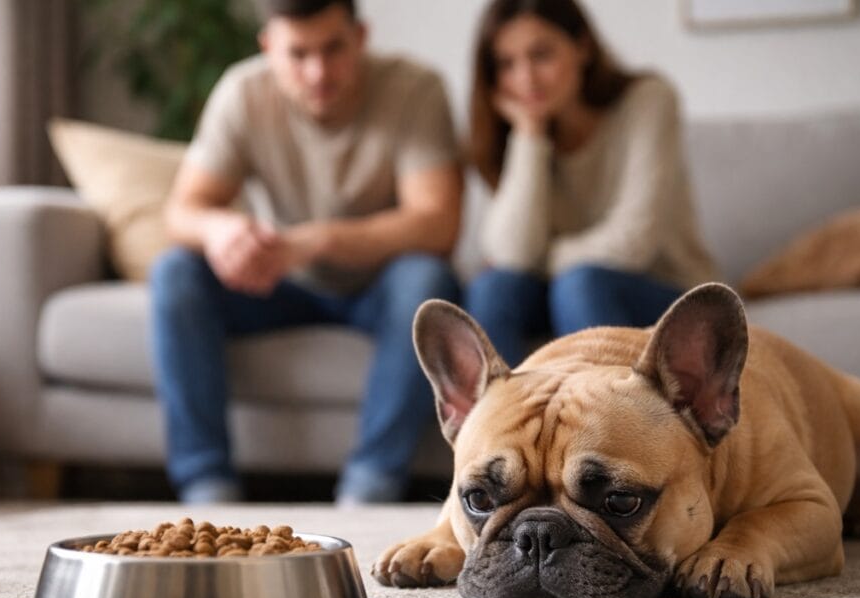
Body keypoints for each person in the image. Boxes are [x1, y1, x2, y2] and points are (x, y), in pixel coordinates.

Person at [152, 0, 463, 504]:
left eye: (333, 48)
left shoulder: (415, 89)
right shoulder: (242, 92)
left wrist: (316, 240)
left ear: (361, 37)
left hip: (379, 286)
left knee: (426, 280)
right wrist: (221, 229)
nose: (318, 72)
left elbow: (438, 224)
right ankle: (206, 487)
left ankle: (371, 487)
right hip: (276, 284)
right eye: (298, 54)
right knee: (175, 272)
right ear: (268, 48)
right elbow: (181, 212)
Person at [465, 0, 717, 367]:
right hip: (562, 290)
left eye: (541, 54)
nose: (526, 79)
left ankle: (610, 422)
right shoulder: (519, 136)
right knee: (491, 289)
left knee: (580, 284)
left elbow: (634, 242)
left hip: (665, 291)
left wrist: (543, 259)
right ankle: (504, 423)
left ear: (582, 46)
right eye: (506, 64)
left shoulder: (649, 100)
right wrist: (530, 134)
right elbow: (511, 255)